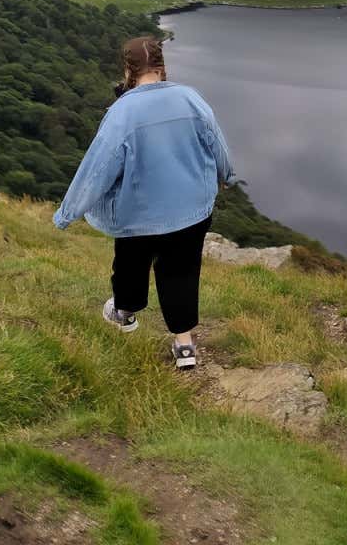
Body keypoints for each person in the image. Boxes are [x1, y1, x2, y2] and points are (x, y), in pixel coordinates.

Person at [53, 35, 235, 370]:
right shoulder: (190, 98)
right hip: (191, 208)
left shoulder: (122, 112)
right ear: (163, 67)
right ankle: (184, 347)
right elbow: (217, 144)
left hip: (140, 212)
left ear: (128, 69)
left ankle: (125, 314)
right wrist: (226, 175)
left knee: (130, 261)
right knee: (181, 271)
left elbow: (97, 169)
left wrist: (67, 213)